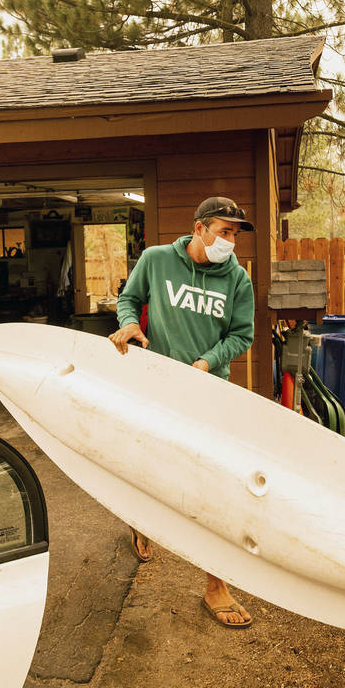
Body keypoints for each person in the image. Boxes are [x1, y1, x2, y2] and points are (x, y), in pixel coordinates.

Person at [109, 196, 256, 628]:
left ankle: (217, 584)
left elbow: (241, 334)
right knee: (148, 463)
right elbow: (128, 300)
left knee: (213, 487)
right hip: (154, 384)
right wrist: (130, 324)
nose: (230, 241)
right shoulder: (156, 260)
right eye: (223, 231)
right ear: (199, 228)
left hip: (208, 391)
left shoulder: (237, 279)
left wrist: (207, 362)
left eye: (235, 234)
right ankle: (142, 519)